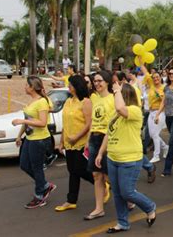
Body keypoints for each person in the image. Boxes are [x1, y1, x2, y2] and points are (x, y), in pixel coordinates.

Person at [95, 82, 157, 233]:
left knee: (127, 192)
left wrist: (116, 90)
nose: (115, 94)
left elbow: (120, 108)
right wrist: (100, 152)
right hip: (113, 158)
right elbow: (109, 134)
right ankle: (123, 223)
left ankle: (149, 207)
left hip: (129, 159)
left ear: (125, 95)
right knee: (117, 193)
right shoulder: (115, 114)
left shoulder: (134, 111)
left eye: (118, 93)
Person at [13, 76, 57, 209]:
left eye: (27, 85)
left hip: (39, 139)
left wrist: (23, 122)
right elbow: (28, 119)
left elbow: (42, 123)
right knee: (24, 165)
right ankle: (44, 185)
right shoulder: (32, 101)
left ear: (32, 87)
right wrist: (19, 136)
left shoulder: (42, 102)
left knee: (37, 168)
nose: (25, 87)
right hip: (30, 138)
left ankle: (39, 196)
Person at [55, 75, 94, 211]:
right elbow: (65, 124)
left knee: (80, 169)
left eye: (70, 85)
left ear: (77, 86)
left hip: (81, 142)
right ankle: (71, 200)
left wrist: (77, 137)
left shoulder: (86, 102)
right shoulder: (68, 101)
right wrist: (61, 142)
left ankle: (101, 184)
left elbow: (89, 124)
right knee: (72, 171)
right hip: (68, 142)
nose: (69, 87)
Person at [84, 70, 115, 220]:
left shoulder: (113, 99)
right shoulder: (95, 99)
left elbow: (111, 127)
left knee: (109, 177)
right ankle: (99, 208)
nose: (97, 84)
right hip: (94, 138)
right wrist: (88, 140)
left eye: (100, 81)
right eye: (95, 81)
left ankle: (129, 199)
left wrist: (103, 149)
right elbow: (93, 122)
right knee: (96, 175)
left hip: (106, 139)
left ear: (107, 82)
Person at [140, 65, 168, 164]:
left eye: (157, 77)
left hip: (160, 112)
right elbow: (145, 71)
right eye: (154, 77)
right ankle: (165, 147)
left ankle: (156, 155)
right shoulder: (151, 85)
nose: (155, 79)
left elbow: (165, 101)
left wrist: (160, 96)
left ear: (161, 78)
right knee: (152, 135)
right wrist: (141, 61)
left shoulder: (164, 88)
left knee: (155, 134)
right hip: (151, 112)